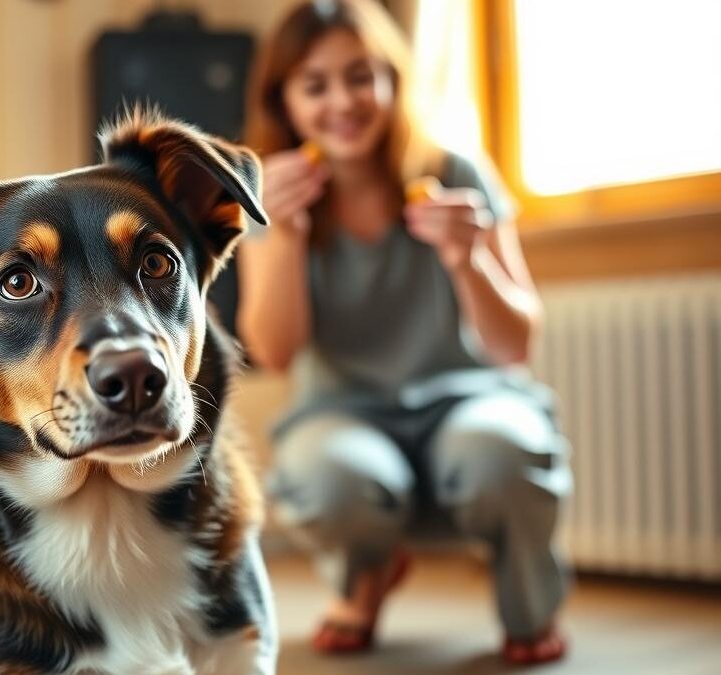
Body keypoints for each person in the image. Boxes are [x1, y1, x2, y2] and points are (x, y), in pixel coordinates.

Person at [237, 0, 572, 665]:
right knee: (330, 478)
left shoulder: (454, 173)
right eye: (316, 84)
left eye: (361, 76)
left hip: (470, 397)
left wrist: (466, 259)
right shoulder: (269, 199)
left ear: (393, 79)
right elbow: (273, 352)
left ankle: (530, 605)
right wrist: (284, 242)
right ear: (286, 103)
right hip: (340, 410)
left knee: (500, 452)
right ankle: (366, 577)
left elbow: (515, 345)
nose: (343, 101)